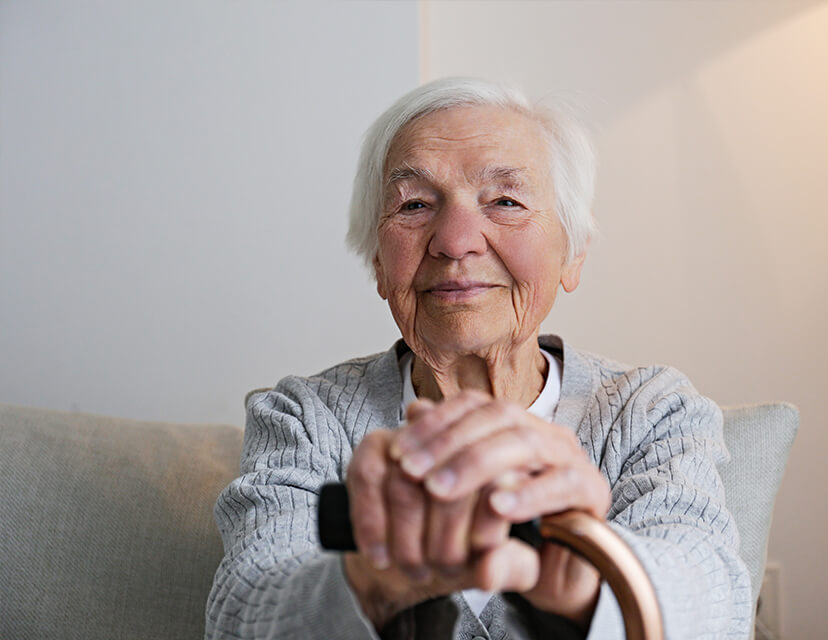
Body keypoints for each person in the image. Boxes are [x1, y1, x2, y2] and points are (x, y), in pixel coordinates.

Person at [206, 77, 751, 640]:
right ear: (377, 260)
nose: (457, 240)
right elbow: (241, 616)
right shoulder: (303, 416)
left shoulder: (652, 411)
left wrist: (590, 577)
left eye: (506, 201)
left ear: (573, 250)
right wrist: (376, 581)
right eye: (414, 204)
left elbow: (716, 603)